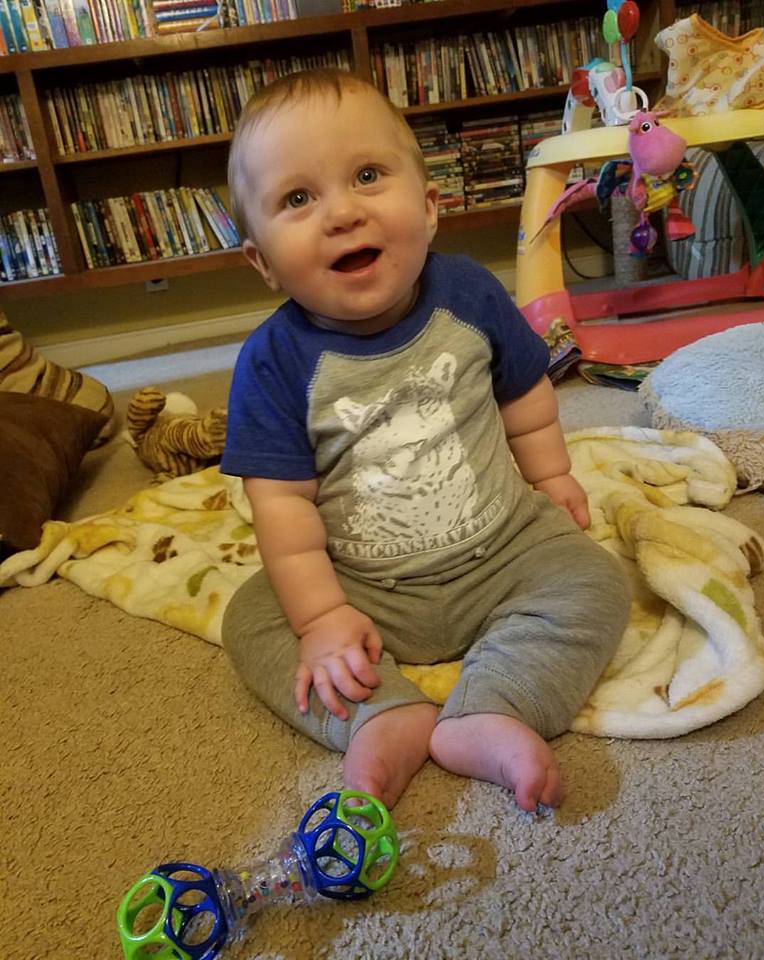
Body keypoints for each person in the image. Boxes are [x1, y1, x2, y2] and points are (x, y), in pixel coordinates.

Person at [220, 67, 631, 813]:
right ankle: (382, 714)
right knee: (253, 619)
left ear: (430, 207)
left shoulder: (469, 294)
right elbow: (280, 504)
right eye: (298, 198)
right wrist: (322, 620)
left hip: (502, 549)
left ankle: (496, 706)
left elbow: (524, 395)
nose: (343, 213)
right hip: (362, 586)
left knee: (597, 581)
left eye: (367, 176)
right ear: (262, 262)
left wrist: (551, 477)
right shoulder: (272, 363)